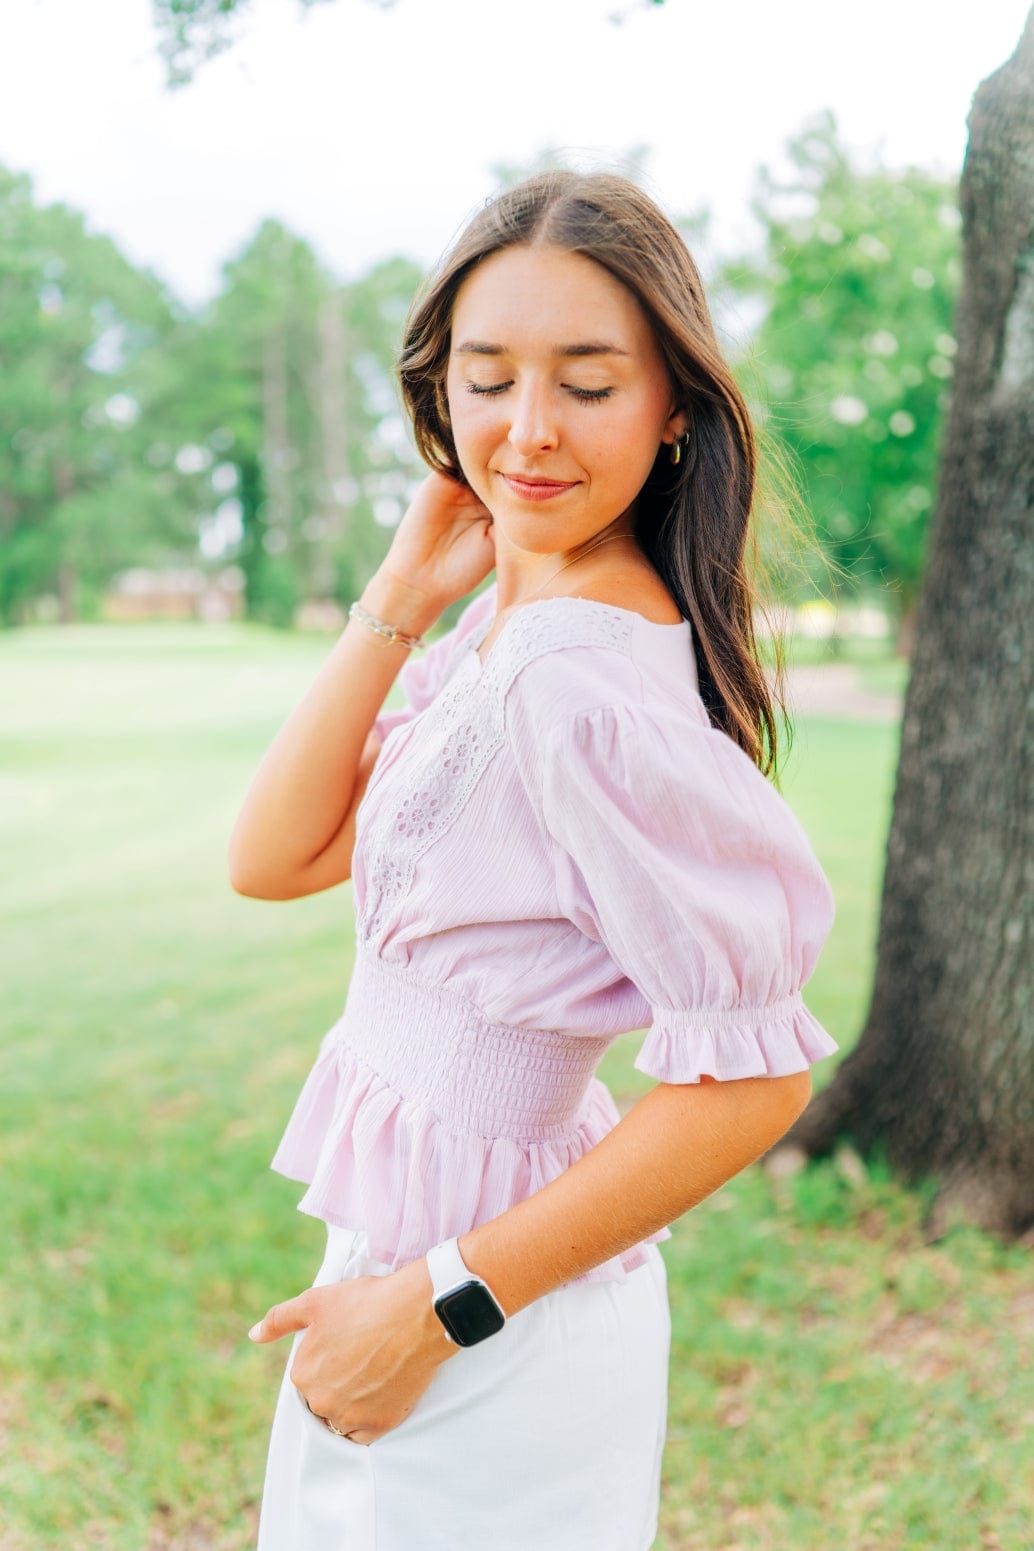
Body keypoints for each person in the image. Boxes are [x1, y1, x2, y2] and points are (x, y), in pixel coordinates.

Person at [231, 170, 838, 1551]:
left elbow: (753, 1082)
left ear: (672, 405)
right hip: (410, 1265)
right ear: (438, 391)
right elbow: (274, 855)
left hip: (475, 1305)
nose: (529, 429)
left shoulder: (577, 682)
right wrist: (402, 593)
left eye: (588, 382)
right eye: (488, 379)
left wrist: (436, 1307)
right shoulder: (508, 634)